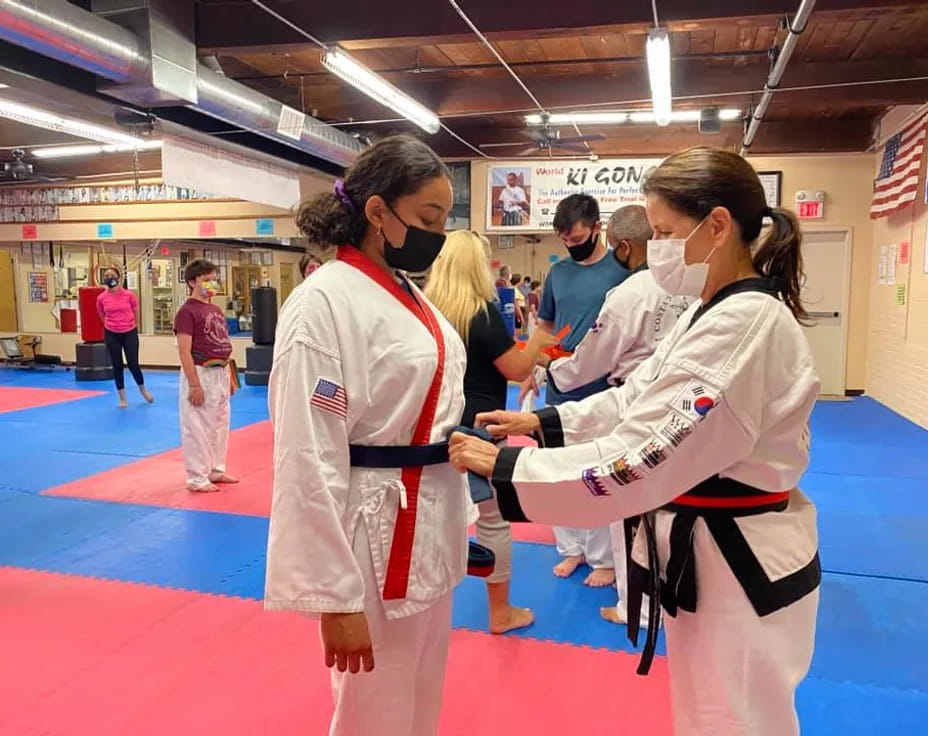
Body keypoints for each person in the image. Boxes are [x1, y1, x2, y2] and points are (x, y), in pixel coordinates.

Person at [450, 146, 821, 736]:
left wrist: (508, 471)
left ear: (718, 225)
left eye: (666, 231)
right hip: (708, 550)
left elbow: (647, 456)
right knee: (708, 713)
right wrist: (542, 425)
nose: (657, 249)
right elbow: (635, 399)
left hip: (738, 558)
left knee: (736, 719)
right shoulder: (708, 311)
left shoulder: (745, 322)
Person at [264, 135, 471, 736]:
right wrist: (334, 598)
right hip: (371, 539)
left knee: (419, 700)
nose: (437, 232)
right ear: (378, 212)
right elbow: (307, 454)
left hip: (428, 515)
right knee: (373, 712)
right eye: (427, 218)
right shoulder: (321, 303)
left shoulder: (408, 293)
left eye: (443, 219)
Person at [545, 205, 692, 628]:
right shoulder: (695, 283)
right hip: (686, 407)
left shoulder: (631, 291)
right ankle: (671, 595)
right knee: (671, 506)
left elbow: (591, 361)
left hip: (635, 404)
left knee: (627, 505)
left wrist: (552, 370)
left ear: (623, 245)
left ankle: (638, 607)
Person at [425, 230, 556, 635]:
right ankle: (500, 613)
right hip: (481, 429)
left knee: (430, 515)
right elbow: (516, 370)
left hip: (431, 429)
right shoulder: (480, 312)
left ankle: (425, 607)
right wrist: (538, 340)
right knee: (492, 518)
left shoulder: (424, 311)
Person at [532, 193, 629, 587]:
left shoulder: (621, 272)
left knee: (599, 477)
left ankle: (603, 556)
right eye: (565, 240)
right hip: (558, 386)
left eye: (577, 237)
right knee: (560, 475)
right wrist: (527, 368)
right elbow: (544, 327)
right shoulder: (558, 274)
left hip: (603, 392)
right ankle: (571, 549)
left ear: (596, 228)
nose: (571, 246)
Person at [174, 259, 238, 493]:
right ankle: (197, 477)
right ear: (192, 282)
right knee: (198, 426)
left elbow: (222, 342)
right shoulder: (187, 312)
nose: (211, 284)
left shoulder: (215, 309)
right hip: (200, 370)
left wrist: (230, 376)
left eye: (213, 279)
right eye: (205, 280)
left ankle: (215, 469)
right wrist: (194, 384)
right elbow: (184, 350)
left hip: (221, 370)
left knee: (220, 423)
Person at [96, 263, 153, 408]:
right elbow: (102, 315)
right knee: (117, 365)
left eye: (112, 275)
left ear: (119, 278)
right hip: (111, 333)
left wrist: (134, 326)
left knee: (133, 364)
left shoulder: (129, 295)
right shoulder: (101, 298)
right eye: (106, 276)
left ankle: (143, 391)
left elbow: (136, 311)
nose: (109, 278)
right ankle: (122, 398)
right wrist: (110, 325)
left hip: (129, 332)